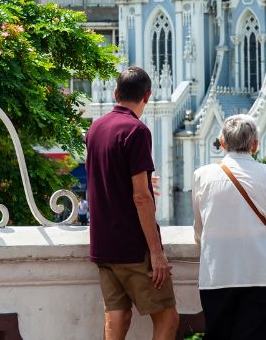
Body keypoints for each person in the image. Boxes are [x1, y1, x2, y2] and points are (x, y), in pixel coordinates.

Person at [85, 66, 179, 340]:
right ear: (147, 97)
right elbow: (140, 196)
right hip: (133, 247)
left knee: (117, 320)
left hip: (103, 244)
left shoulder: (96, 128)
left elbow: (108, 179)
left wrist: (145, 187)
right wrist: (157, 253)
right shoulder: (137, 131)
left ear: (116, 93)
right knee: (168, 319)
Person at [192, 114, 266, 340]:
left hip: (216, 274)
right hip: (261, 275)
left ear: (222, 143)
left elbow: (200, 230)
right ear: (255, 145)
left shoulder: (202, 176)